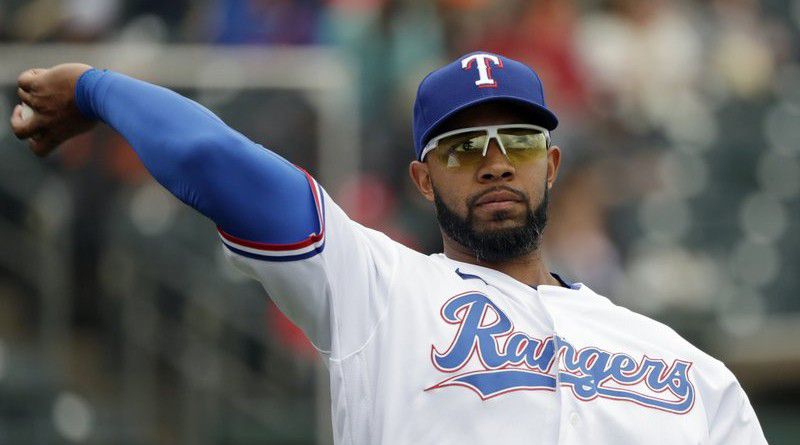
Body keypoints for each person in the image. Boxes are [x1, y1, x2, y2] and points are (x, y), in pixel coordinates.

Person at [10, 52, 766, 444]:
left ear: (551, 165)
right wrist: (96, 88)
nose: (496, 161)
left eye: (519, 142)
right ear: (422, 178)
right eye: (466, 148)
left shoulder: (685, 368)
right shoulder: (380, 289)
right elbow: (218, 163)